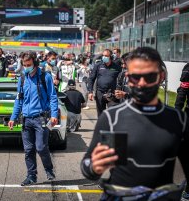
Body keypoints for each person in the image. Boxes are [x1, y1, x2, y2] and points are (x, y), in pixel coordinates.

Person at [81, 47, 189, 200]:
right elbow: (88, 167)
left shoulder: (178, 120)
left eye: (149, 76)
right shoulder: (113, 118)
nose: (142, 83)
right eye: (136, 77)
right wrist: (94, 167)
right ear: (128, 77)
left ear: (161, 76)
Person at [8, 51, 58, 186]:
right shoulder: (22, 78)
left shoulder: (45, 77)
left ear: (35, 63)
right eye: (24, 65)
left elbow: (53, 97)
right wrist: (13, 117)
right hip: (26, 119)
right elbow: (18, 100)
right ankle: (31, 176)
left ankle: (49, 169)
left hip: (41, 119)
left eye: (28, 64)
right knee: (28, 150)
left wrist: (54, 115)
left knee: (41, 147)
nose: (26, 67)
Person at [87, 49, 121, 116]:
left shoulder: (117, 67)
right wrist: (90, 92)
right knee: (101, 115)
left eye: (106, 56)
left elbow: (121, 80)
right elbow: (91, 79)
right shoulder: (98, 65)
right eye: (103, 55)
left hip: (112, 94)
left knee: (113, 113)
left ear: (110, 57)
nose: (104, 57)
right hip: (100, 93)